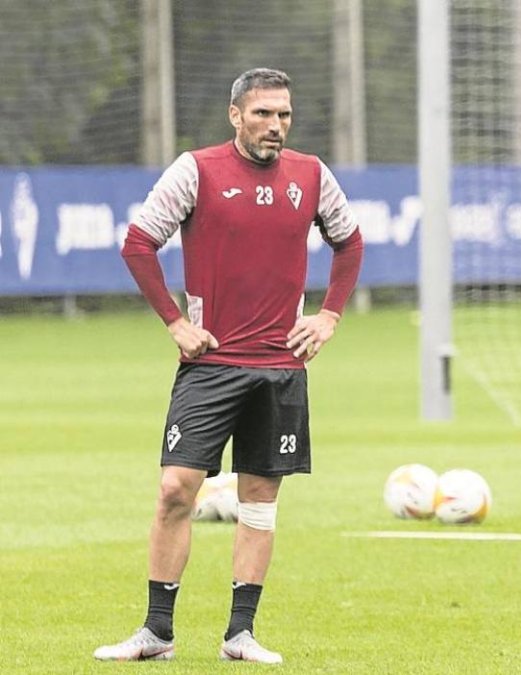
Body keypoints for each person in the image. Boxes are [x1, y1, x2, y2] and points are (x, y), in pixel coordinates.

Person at [94, 68, 363, 664]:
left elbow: (350, 242)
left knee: (259, 501)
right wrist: (174, 322)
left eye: (284, 115)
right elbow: (139, 242)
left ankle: (240, 635)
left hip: (282, 367)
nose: (276, 126)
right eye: (263, 113)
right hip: (211, 363)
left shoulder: (312, 175)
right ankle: (157, 633)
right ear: (235, 115)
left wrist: (329, 317)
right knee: (174, 489)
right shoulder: (197, 169)